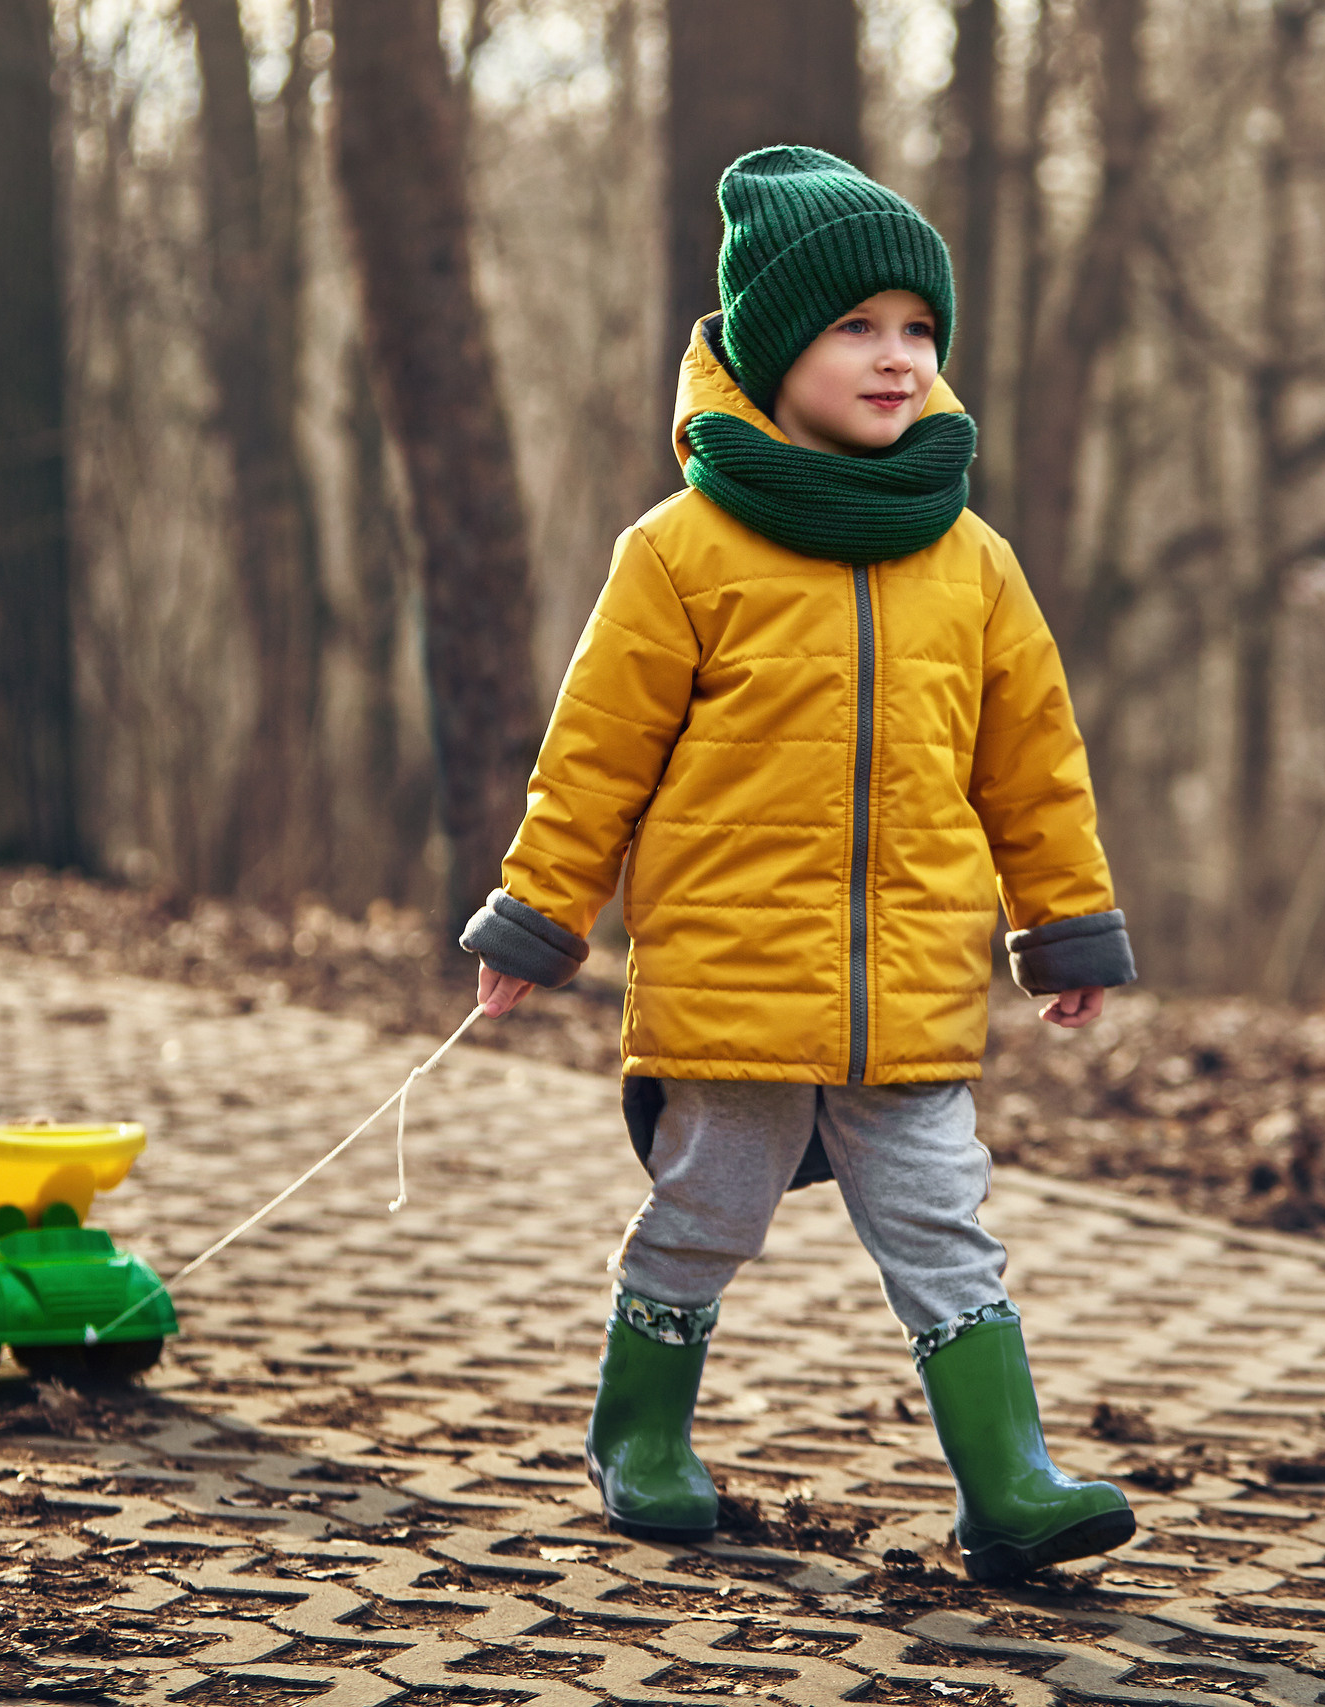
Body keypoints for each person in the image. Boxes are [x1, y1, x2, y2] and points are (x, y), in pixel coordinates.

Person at [459, 144, 1139, 1584]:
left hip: (910, 982)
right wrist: (538, 913)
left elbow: (1033, 759)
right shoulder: (683, 550)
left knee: (947, 1222)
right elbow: (596, 752)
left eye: (919, 330)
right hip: (733, 975)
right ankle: (639, 1435)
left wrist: (1065, 923)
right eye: (856, 328)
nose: (898, 359)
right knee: (708, 1210)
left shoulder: (972, 561)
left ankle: (1008, 1480)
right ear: (776, 351)